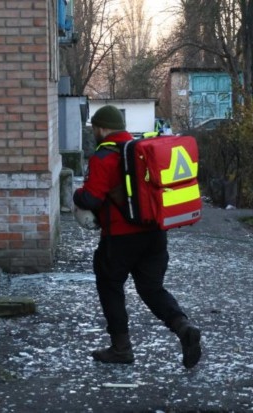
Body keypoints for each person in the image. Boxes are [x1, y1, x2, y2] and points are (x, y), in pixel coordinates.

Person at [74, 105, 201, 368]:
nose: (95, 132)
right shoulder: (141, 152)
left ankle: (121, 348)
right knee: (151, 289)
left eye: (96, 128)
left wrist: (75, 195)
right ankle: (183, 327)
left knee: (110, 286)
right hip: (155, 234)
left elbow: (91, 197)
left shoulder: (103, 157)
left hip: (120, 237)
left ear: (101, 128)